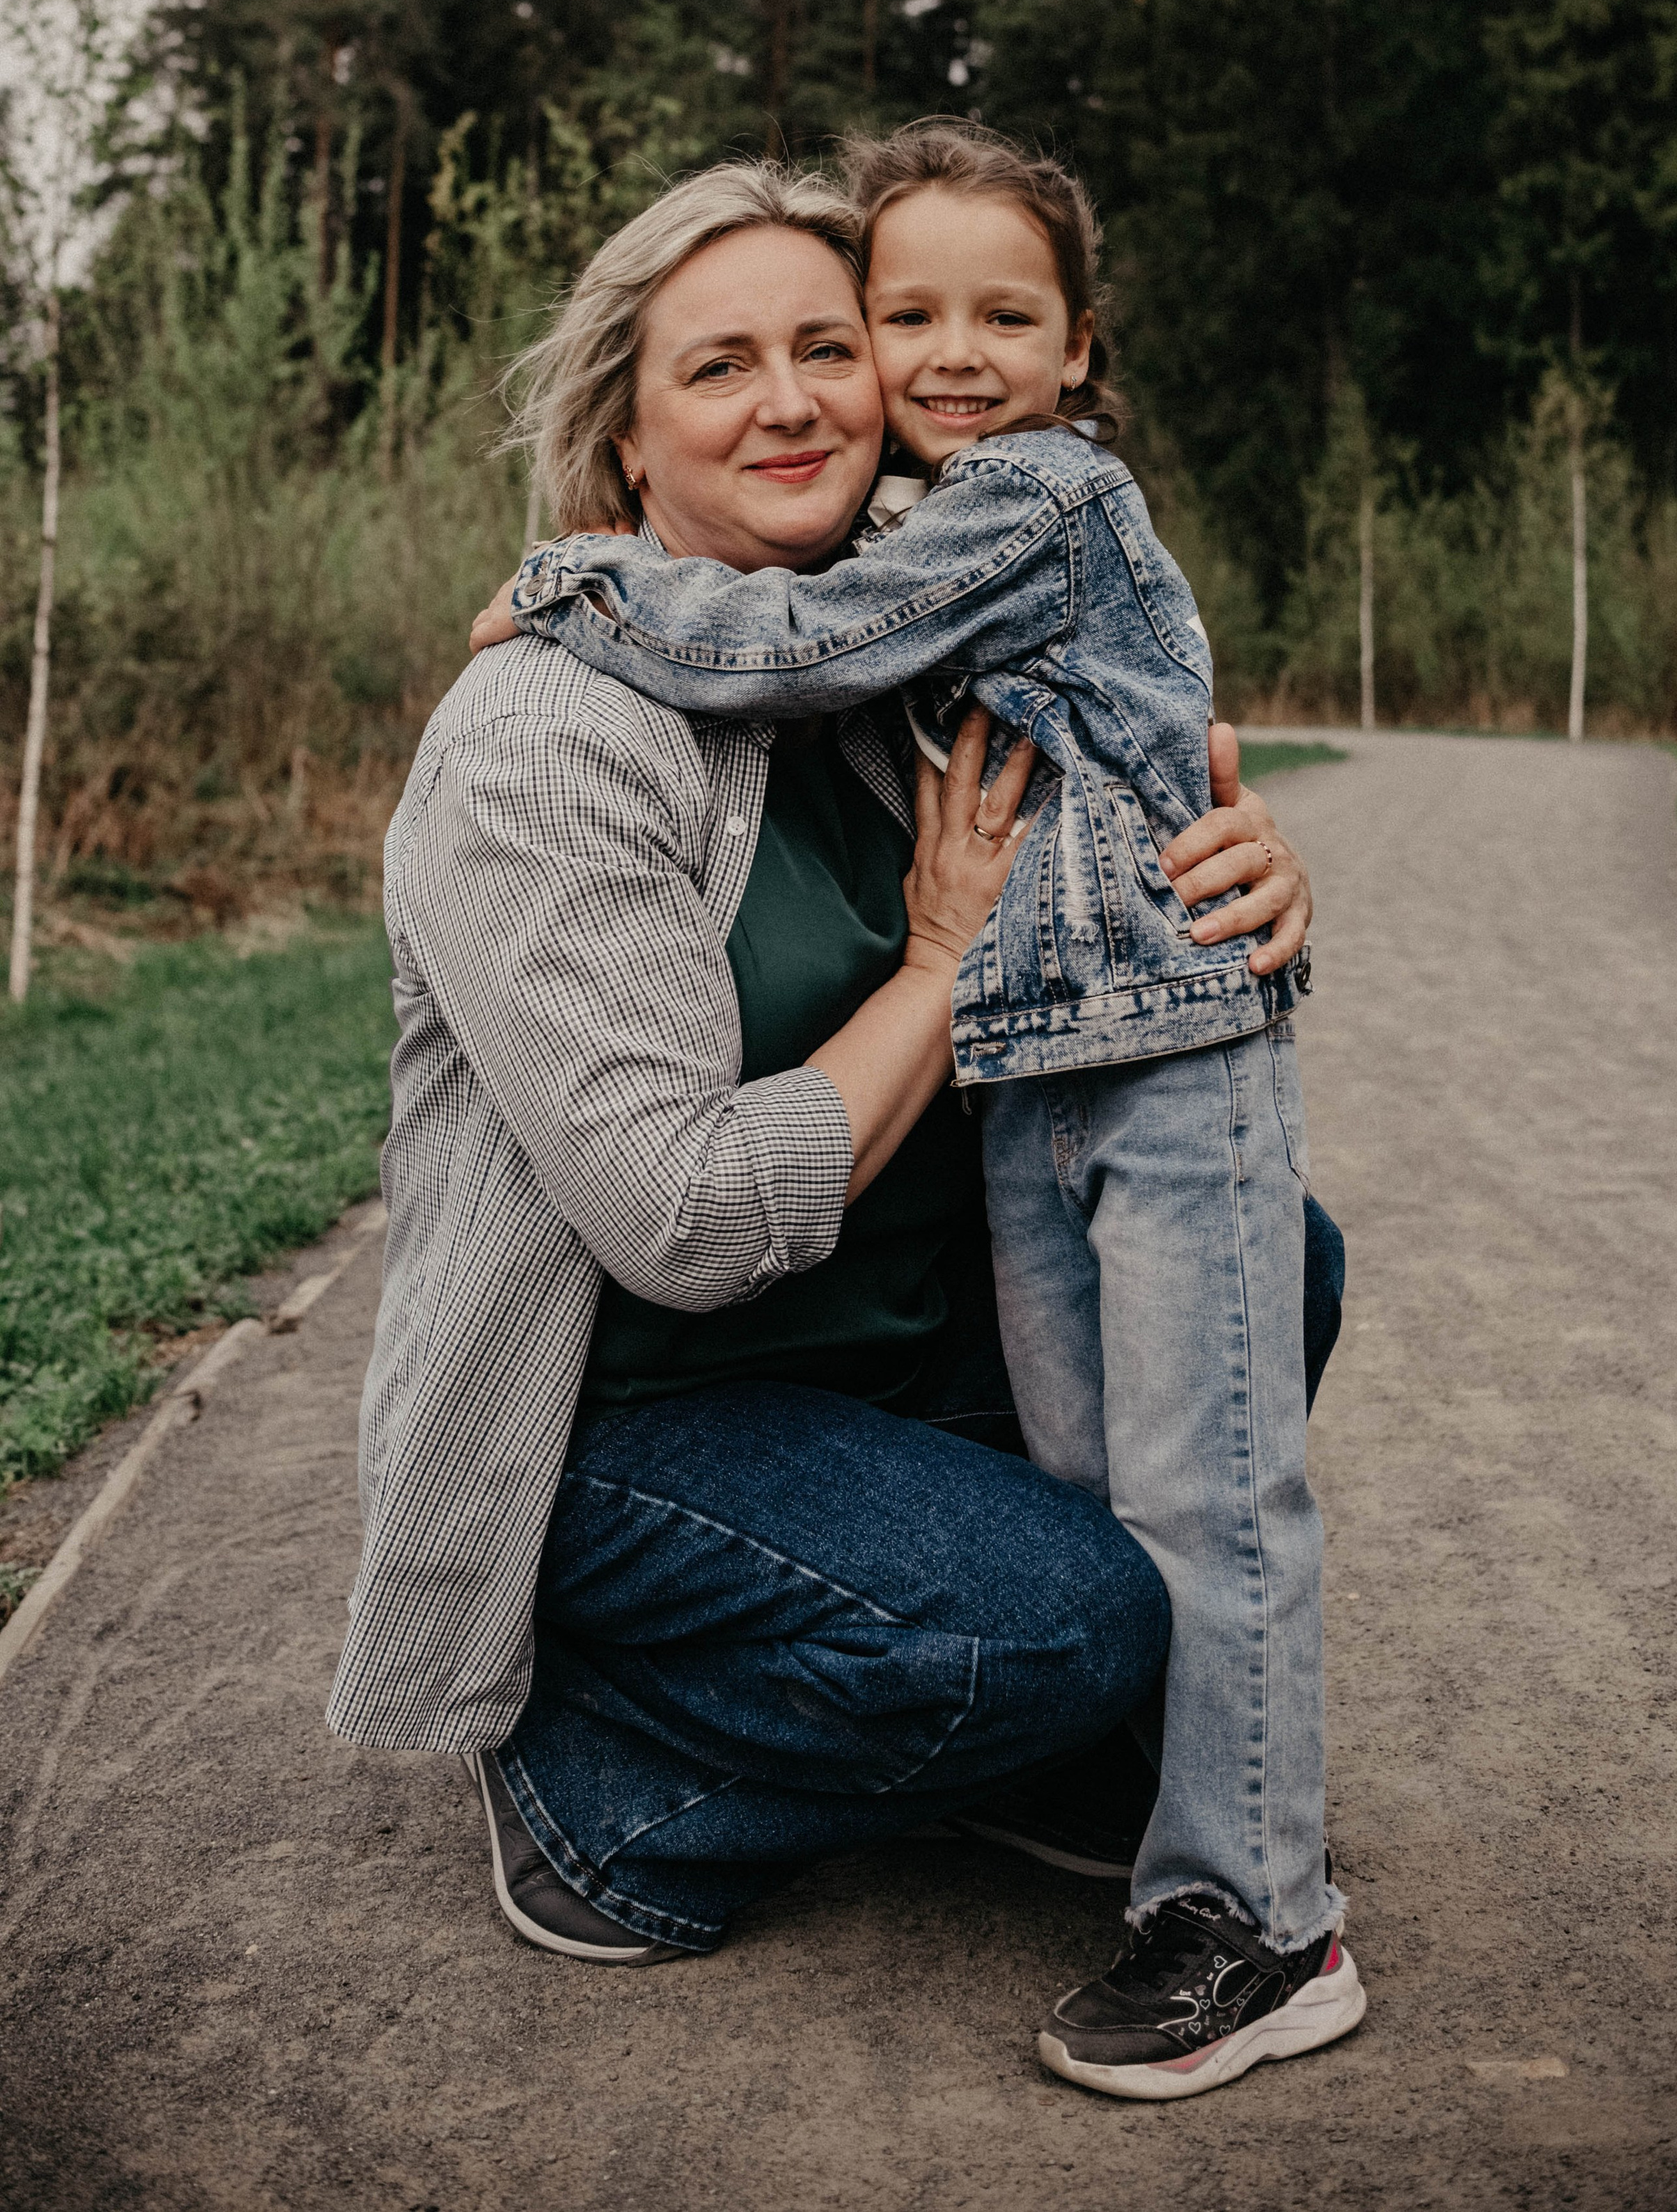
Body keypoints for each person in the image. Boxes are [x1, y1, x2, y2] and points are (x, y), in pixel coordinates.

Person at [332, 156, 1323, 2087]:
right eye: (721, 365)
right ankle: (603, 1792)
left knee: (1277, 1268)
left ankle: (973, 1701)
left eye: (822, 344)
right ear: (626, 434)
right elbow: (683, 1222)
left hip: (859, 1368)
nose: (791, 397)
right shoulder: (550, 732)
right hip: (630, 1416)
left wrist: (1250, 875)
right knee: (1065, 1626)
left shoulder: (903, 655)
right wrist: (940, 961)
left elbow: (1130, 840)